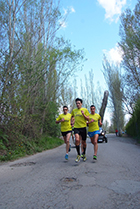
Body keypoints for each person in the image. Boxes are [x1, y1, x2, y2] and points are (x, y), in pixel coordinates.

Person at [71, 98, 89, 163]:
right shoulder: (74, 110)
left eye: (79, 103)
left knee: (84, 142)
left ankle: (84, 153)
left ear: (81, 104)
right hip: (76, 127)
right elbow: (72, 116)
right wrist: (72, 122)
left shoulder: (85, 110)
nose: (77, 104)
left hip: (83, 127)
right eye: (76, 103)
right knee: (77, 140)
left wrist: (84, 114)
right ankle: (78, 154)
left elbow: (88, 118)